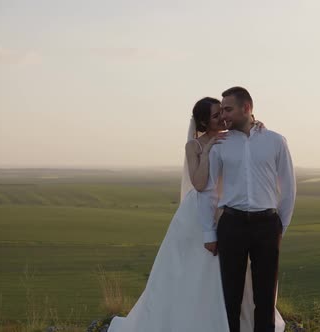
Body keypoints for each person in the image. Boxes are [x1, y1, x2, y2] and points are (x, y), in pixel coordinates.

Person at [107, 96, 285, 332]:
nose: (222, 117)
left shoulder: (232, 138)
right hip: (198, 212)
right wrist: (209, 148)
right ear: (203, 122)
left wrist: (256, 123)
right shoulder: (195, 146)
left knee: (234, 274)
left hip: (227, 211)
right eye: (216, 115)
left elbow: (248, 140)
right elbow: (200, 184)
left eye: (223, 112)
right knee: (194, 269)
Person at [198, 87, 296, 332]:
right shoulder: (220, 144)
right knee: (231, 295)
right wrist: (209, 232)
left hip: (267, 226)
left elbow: (289, 187)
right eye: (221, 111)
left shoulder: (275, 140)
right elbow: (208, 190)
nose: (224, 116)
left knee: (265, 296)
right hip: (232, 225)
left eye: (228, 110)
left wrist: (279, 226)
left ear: (247, 108)